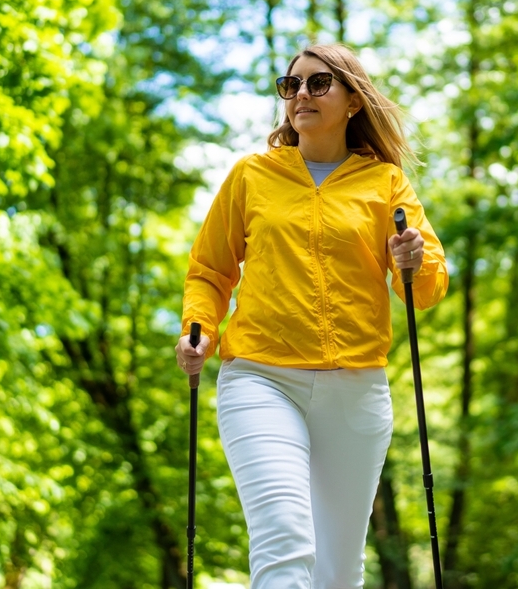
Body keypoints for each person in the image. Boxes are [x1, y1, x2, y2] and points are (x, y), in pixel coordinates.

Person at [175, 43, 448, 589]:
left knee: (337, 572)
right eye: (291, 84)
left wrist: (411, 261)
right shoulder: (252, 175)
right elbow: (209, 269)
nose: (301, 94)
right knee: (284, 539)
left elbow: (425, 289)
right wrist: (196, 331)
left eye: (318, 83)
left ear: (352, 100)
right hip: (260, 376)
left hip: (356, 389)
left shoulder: (383, 183)